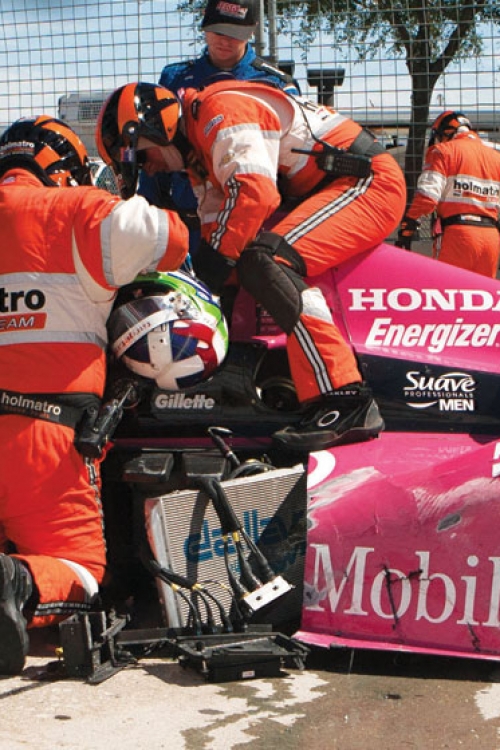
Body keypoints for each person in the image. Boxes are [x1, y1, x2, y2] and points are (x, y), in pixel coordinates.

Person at [97, 80, 407, 453]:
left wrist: (212, 268)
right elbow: (218, 243)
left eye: (142, 156)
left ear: (153, 128)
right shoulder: (199, 155)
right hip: (329, 186)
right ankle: (227, 381)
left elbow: (255, 193)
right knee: (237, 267)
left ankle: (345, 397)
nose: (148, 168)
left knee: (265, 260)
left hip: (366, 183)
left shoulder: (220, 110)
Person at [0, 111, 188, 675]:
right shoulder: (80, 209)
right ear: (63, 168)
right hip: (46, 439)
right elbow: (173, 240)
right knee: (81, 572)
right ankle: (17, 582)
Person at [140, 0, 300, 240]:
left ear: (252, 31)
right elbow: (157, 148)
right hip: (187, 219)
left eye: (235, 34)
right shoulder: (174, 78)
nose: (225, 41)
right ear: (205, 27)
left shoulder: (275, 83)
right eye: (218, 31)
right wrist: (147, 211)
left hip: (251, 222)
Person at [397, 111, 500, 277]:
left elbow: (428, 196)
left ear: (446, 132)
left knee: (447, 288)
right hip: (491, 237)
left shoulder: (442, 151)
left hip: (457, 235)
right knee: (482, 292)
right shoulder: (495, 157)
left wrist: (408, 223)